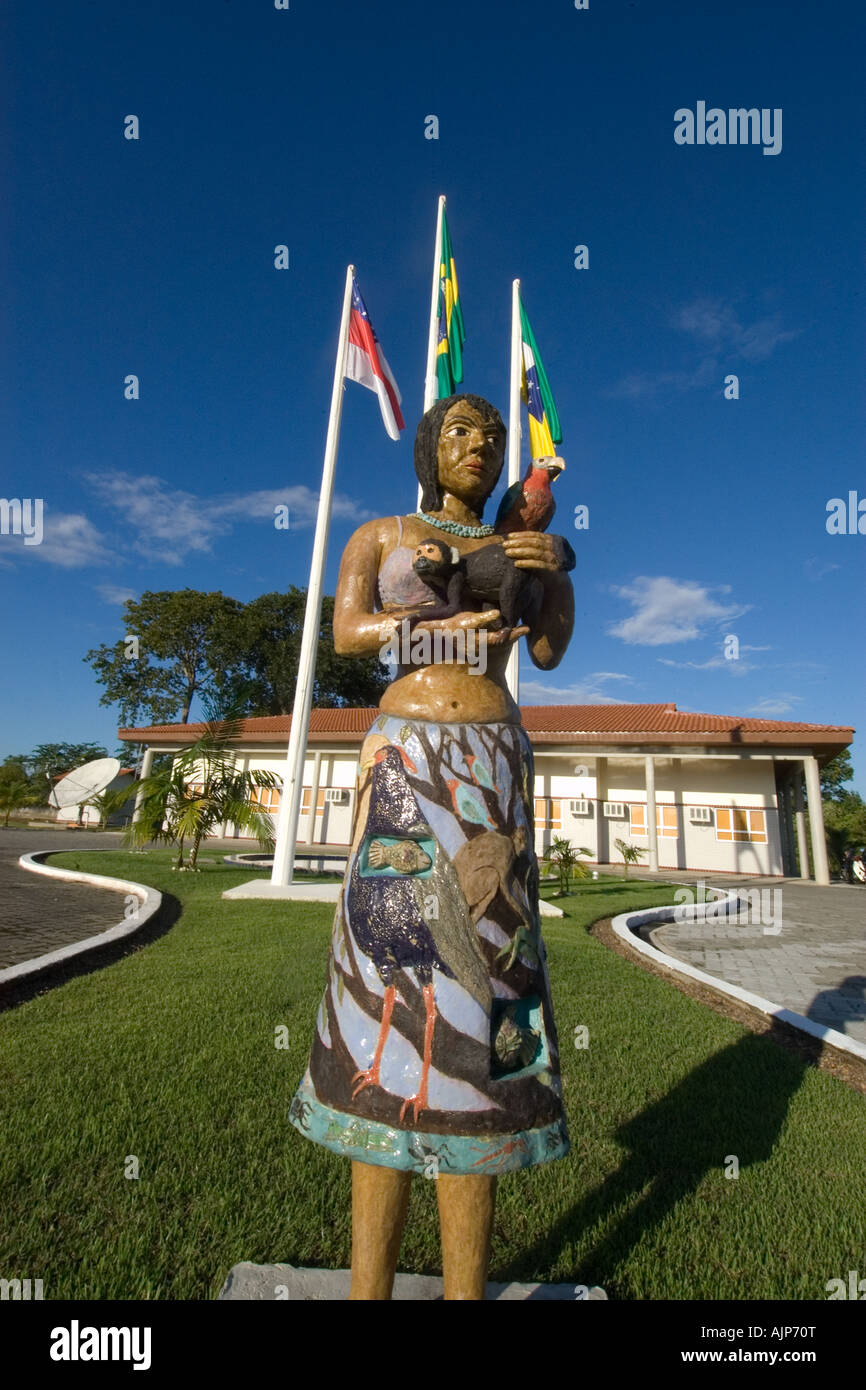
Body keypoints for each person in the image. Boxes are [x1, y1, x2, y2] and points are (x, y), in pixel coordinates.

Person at [289, 393, 575, 1299]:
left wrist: (556, 570)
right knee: (390, 983)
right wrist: (430, 629)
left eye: (492, 438)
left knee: (484, 998)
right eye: (459, 432)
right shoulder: (379, 532)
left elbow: (554, 649)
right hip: (407, 760)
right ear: (427, 448)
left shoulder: (515, 547)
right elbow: (344, 633)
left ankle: (465, 1293)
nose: (480, 447)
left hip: (491, 765)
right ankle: (366, 1289)